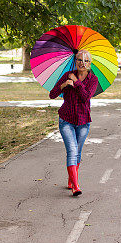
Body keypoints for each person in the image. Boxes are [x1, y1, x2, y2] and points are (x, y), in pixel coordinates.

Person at [49, 51, 99, 196]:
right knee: (72, 150)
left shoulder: (93, 79)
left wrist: (76, 82)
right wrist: (64, 84)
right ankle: (76, 186)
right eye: (79, 60)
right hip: (66, 119)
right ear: (75, 61)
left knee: (77, 152)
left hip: (83, 121)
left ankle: (71, 179)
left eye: (86, 60)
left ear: (90, 64)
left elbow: (85, 97)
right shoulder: (67, 76)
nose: (82, 63)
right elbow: (52, 94)